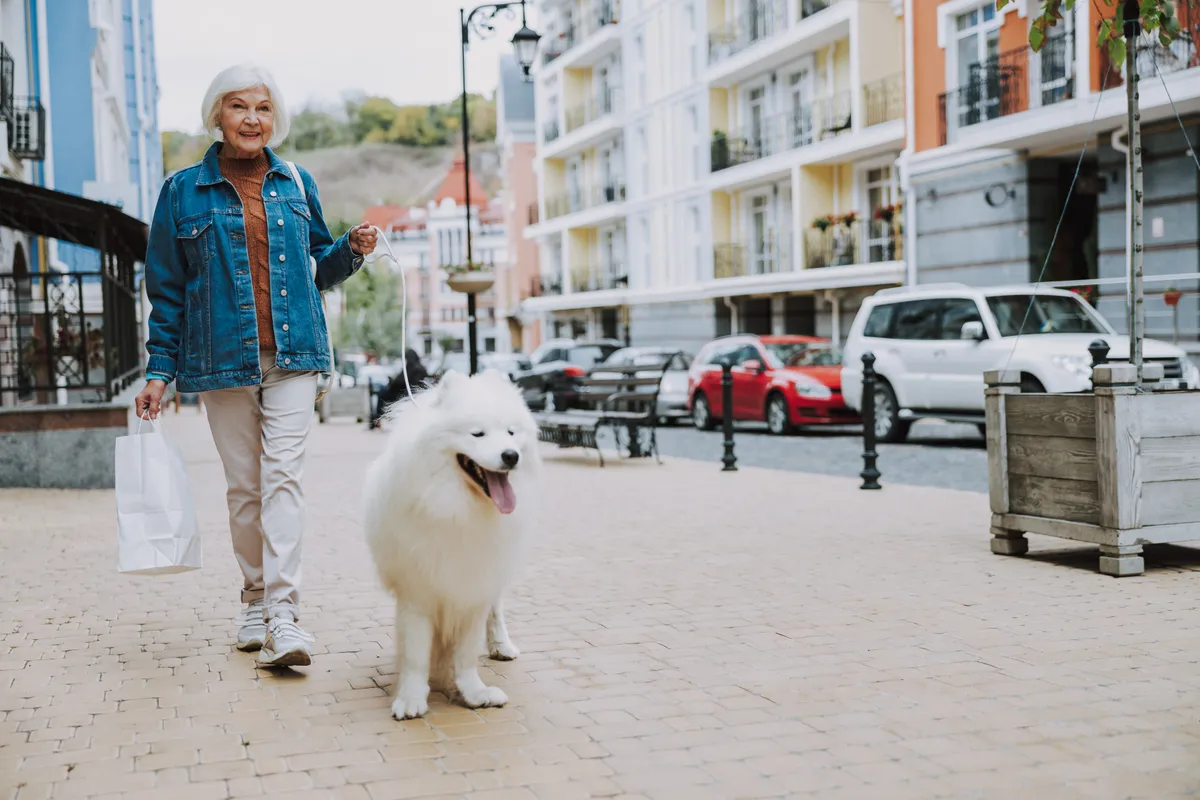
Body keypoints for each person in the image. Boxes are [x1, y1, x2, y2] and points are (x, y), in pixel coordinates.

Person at [134, 63, 377, 667]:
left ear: (275, 117)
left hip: (295, 357)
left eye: (263, 108)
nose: (252, 119)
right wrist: (160, 370)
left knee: (284, 480)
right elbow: (166, 288)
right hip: (221, 361)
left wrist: (349, 249)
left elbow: (319, 265)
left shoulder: (295, 182)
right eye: (239, 106)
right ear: (217, 114)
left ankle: (285, 616)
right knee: (245, 489)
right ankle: (254, 598)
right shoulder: (181, 192)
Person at [369, 348, 429, 429]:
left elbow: (399, 382)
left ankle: (377, 418)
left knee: (382, 394)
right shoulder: (421, 368)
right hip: (411, 393)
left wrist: (392, 382)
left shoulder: (410, 368)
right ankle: (379, 418)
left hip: (403, 393)